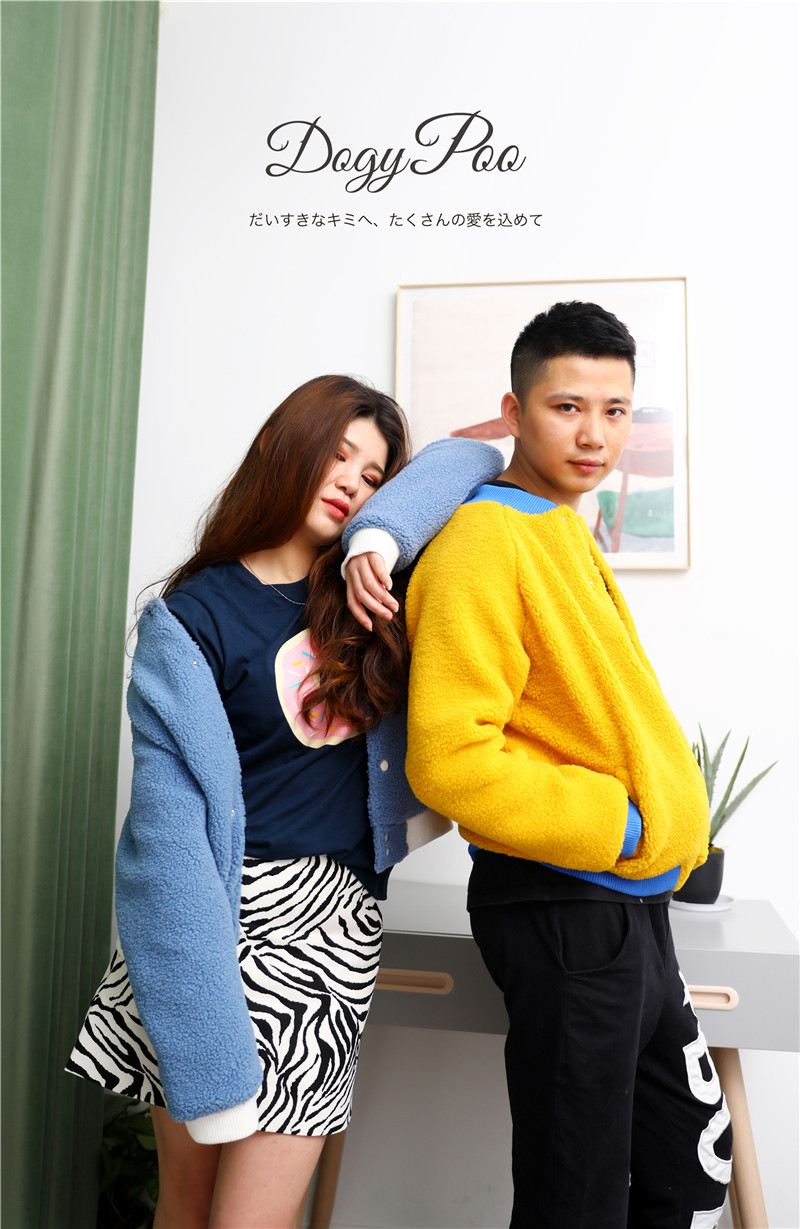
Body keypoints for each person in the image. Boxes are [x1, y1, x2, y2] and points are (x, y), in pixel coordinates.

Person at [66, 374, 503, 1229]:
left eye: (373, 475)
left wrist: (377, 535)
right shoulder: (191, 618)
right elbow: (166, 840)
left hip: (329, 936)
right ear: (282, 445)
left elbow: (471, 459)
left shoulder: (371, 592)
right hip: (201, 931)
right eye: (337, 454)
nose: (352, 482)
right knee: (187, 1208)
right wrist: (201, 1012)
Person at [340, 304, 733, 1229]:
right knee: (575, 1198)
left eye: (615, 409)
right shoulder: (485, 541)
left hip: (627, 902)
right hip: (566, 904)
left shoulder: (556, 528)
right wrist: (622, 824)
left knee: (691, 1166)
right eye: (568, 406)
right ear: (513, 411)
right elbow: (451, 758)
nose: (595, 434)